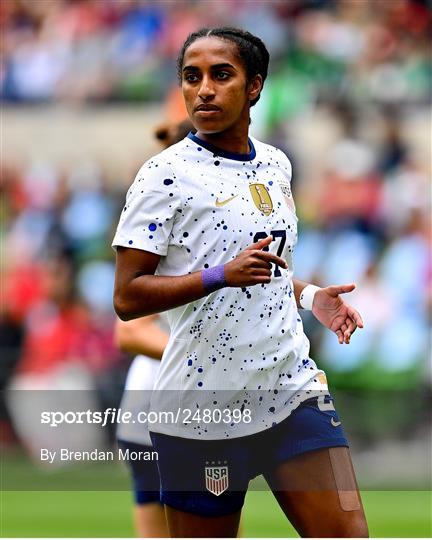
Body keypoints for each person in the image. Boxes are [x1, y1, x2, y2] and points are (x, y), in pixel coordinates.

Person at [113, 27, 368, 538]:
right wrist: (217, 277)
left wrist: (311, 297)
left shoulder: (276, 164)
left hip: (291, 389)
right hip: (201, 408)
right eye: (192, 76)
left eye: (221, 75)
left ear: (254, 86)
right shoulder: (163, 175)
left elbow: (268, 266)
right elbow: (126, 297)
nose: (204, 89)